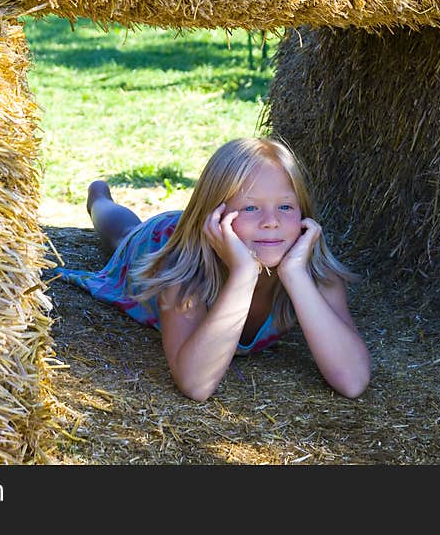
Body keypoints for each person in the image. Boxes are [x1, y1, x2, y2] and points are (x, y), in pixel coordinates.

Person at [55, 137, 371, 402]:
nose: (271, 221)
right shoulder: (181, 272)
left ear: (304, 213)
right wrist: (244, 274)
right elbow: (196, 384)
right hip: (162, 241)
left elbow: (353, 381)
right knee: (122, 235)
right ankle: (99, 198)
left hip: (218, 239)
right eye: (250, 207)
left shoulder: (316, 275)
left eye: (286, 206)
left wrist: (295, 276)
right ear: (216, 216)